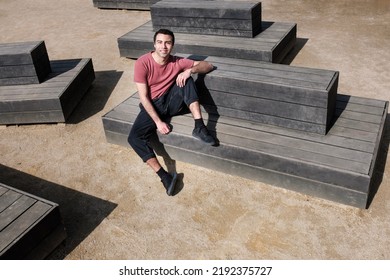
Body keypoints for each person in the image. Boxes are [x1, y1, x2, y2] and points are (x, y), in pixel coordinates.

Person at [128, 29, 215, 196]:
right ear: (154, 44)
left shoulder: (177, 61)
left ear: (172, 45)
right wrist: (158, 122)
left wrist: (190, 70)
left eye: (167, 42)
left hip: (171, 102)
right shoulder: (142, 63)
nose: (164, 46)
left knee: (186, 79)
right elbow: (144, 98)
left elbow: (208, 65)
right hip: (152, 105)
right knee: (134, 138)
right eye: (160, 42)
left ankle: (199, 126)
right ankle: (165, 176)